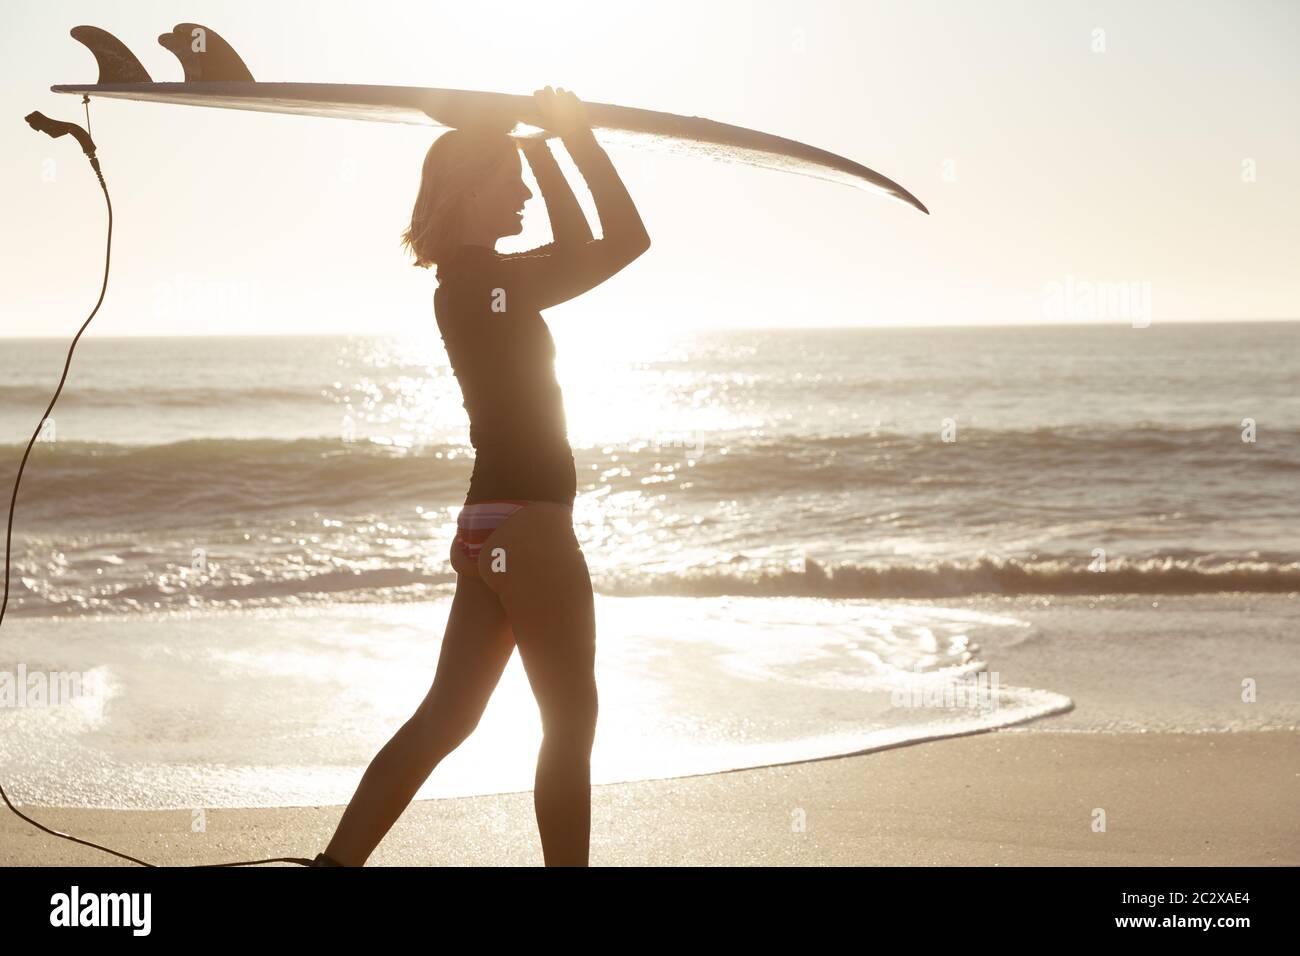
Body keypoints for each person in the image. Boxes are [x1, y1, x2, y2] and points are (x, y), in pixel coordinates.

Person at [312, 87, 650, 867]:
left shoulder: (472, 282)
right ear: (470, 191)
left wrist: (542, 147)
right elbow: (625, 240)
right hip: (530, 526)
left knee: (446, 720)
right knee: (569, 724)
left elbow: (579, 248)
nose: (525, 194)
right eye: (512, 180)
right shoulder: (489, 286)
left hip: (488, 527)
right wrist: (577, 142)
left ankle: (335, 868)